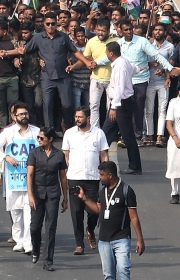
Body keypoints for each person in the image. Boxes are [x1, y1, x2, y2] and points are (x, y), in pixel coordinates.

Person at [20, 12, 93, 129]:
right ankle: (49, 130)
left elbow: (74, 51)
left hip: (63, 76)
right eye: (47, 24)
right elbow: (24, 50)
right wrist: (6, 53)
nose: (50, 26)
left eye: (53, 23)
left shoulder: (63, 37)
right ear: (44, 24)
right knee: (47, 105)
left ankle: (67, 126)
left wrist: (86, 61)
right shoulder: (38, 38)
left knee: (68, 105)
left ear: (57, 23)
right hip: (47, 77)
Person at [75, 162, 145, 279]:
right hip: (104, 241)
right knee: (108, 276)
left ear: (110, 175)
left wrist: (140, 239)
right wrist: (84, 198)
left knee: (123, 271)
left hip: (121, 239)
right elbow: (99, 210)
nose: (99, 177)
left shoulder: (126, 190)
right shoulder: (102, 191)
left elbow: (133, 217)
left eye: (102, 175)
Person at [0, 101, 39, 255]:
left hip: (30, 178)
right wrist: (6, 157)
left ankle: (28, 242)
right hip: (13, 178)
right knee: (15, 211)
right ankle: (18, 240)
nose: (24, 116)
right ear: (13, 116)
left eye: (26, 113)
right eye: (20, 114)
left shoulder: (36, 131)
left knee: (29, 210)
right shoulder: (8, 133)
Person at [63, 105, 109, 255]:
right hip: (74, 177)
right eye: (76, 117)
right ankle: (79, 244)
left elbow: (103, 155)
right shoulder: (69, 134)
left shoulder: (99, 134)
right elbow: (65, 156)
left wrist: (106, 174)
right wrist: (66, 172)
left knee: (94, 211)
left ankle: (90, 229)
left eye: (80, 117)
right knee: (76, 213)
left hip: (92, 178)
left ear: (88, 118)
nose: (77, 119)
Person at [26, 127, 68, 271]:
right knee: (35, 227)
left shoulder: (58, 155)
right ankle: (35, 249)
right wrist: (30, 195)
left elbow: (62, 176)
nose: (39, 140)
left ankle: (48, 260)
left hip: (53, 194)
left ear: (50, 139)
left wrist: (65, 198)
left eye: (42, 138)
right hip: (37, 194)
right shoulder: (34, 153)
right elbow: (30, 175)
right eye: (38, 138)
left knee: (51, 228)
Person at [102, 41, 144, 174]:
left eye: (106, 52)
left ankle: (135, 166)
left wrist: (114, 107)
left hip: (121, 104)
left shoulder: (120, 66)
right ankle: (99, 159)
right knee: (105, 133)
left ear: (111, 53)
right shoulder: (123, 61)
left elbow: (119, 88)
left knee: (127, 135)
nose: (106, 54)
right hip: (119, 103)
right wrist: (140, 68)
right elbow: (134, 68)